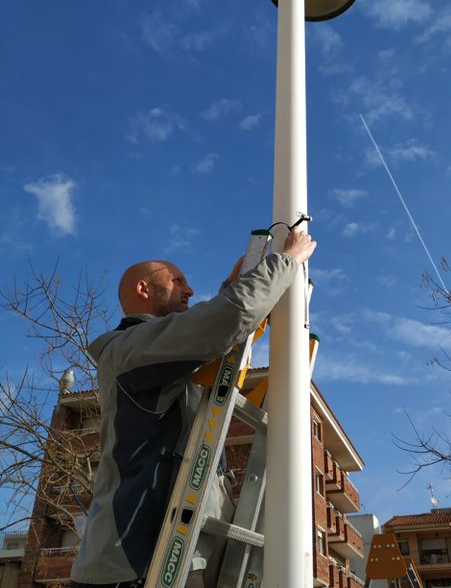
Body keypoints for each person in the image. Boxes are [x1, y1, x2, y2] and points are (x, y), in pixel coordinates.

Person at [70, 228, 316, 588]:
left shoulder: (163, 356)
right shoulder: (125, 352)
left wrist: (231, 288)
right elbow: (222, 322)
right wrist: (284, 263)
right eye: (177, 281)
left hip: (172, 555)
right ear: (144, 289)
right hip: (131, 565)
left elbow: (204, 331)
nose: (188, 290)